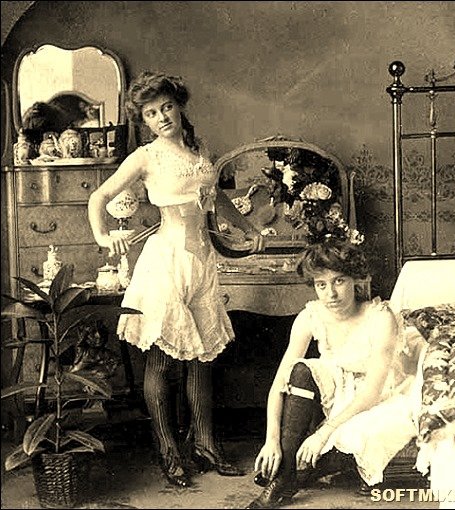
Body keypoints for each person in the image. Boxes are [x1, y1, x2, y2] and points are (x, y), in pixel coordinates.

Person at [88, 70, 264, 488]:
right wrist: (104, 236)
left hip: (202, 263)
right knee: (162, 360)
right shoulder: (145, 157)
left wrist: (248, 229)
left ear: (179, 105)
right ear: (144, 120)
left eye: (166, 107)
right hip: (166, 262)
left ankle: (205, 445)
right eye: (151, 113)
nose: (162, 117)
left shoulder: (201, 149)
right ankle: (169, 451)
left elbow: (215, 199)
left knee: (203, 357)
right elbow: (99, 197)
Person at [247, 238, 418, 508]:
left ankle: (290, 478)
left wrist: (322, 433)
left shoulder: (379, 317)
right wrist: (271, 440)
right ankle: (286, 473)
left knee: (359, 437)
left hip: (378, 395)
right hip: (337, 389)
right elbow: (280, 382)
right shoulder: (311, 316)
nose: (331, 294)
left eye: (339, 281)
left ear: (355, 280)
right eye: (321, 285)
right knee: (301, 371)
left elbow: (372, 393)